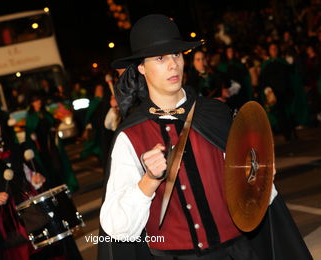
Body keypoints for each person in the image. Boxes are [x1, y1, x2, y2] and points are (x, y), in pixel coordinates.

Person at [98, 14, 312, 260]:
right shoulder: (130, 137)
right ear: (142, 68)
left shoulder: (216, 114)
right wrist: (148, 180)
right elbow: (117, 228)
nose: (172, 64)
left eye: (176, 55)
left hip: (239, 252)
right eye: (160, 58)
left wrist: (261, 180)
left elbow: (253, 188)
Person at [0, 112, 82, 260]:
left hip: (29, 211)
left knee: (44, 247)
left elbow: (27, 174)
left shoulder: (15, 149)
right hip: (6, 219)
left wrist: (35, 179)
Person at [25, 94, 79, 192]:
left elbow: (53, 124)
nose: (39, 102)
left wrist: (54, 128)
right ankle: (53, 188)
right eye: (36, 101)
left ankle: (63, 186)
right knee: (47, 168)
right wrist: (32, 135)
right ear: (32, 103)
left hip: (51, 145)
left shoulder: (46, 113)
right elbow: (28, 133)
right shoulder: (31, 118)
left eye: (39, 100)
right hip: (41, 148)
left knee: (58, 165)